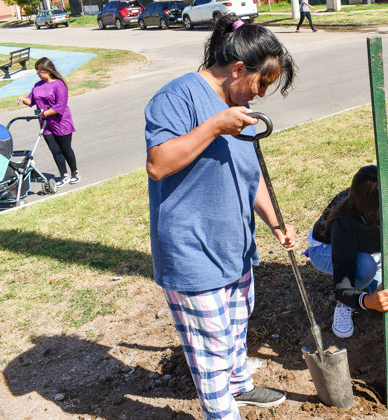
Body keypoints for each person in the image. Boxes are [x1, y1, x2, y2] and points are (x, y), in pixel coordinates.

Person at [144, 14, 297, 419]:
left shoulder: (237, 105)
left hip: (234, 245)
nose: (261, 94)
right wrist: (214, 127)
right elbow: (158, 163)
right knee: (209, 343)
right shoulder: (179, 96)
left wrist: (275, 222)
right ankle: (220, 411)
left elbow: (249, 172)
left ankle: (239, 386)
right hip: (192, 248)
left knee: (235, 326)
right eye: (260, 83)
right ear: (237, 69)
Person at [306, 166, 388, 338]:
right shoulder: (344, 221)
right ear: (369, 210)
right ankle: (344, 305)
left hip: (367, 247)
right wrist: (367, 301)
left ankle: (372, 272)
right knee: (364, 267)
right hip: (325, 249)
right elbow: (342, 284)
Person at [17, 57, 79, 187]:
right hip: (46, 124)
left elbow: (60, 106)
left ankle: (75, 172)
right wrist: (23, 99)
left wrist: (44, 113)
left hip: (61, 122)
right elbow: (31, 100)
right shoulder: (37, 85)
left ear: (48, 70)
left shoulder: (58, 84)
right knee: (54, 150)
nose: (38, 73)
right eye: (37, 71)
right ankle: (64, 175)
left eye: (40, 71)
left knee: (66, 148)